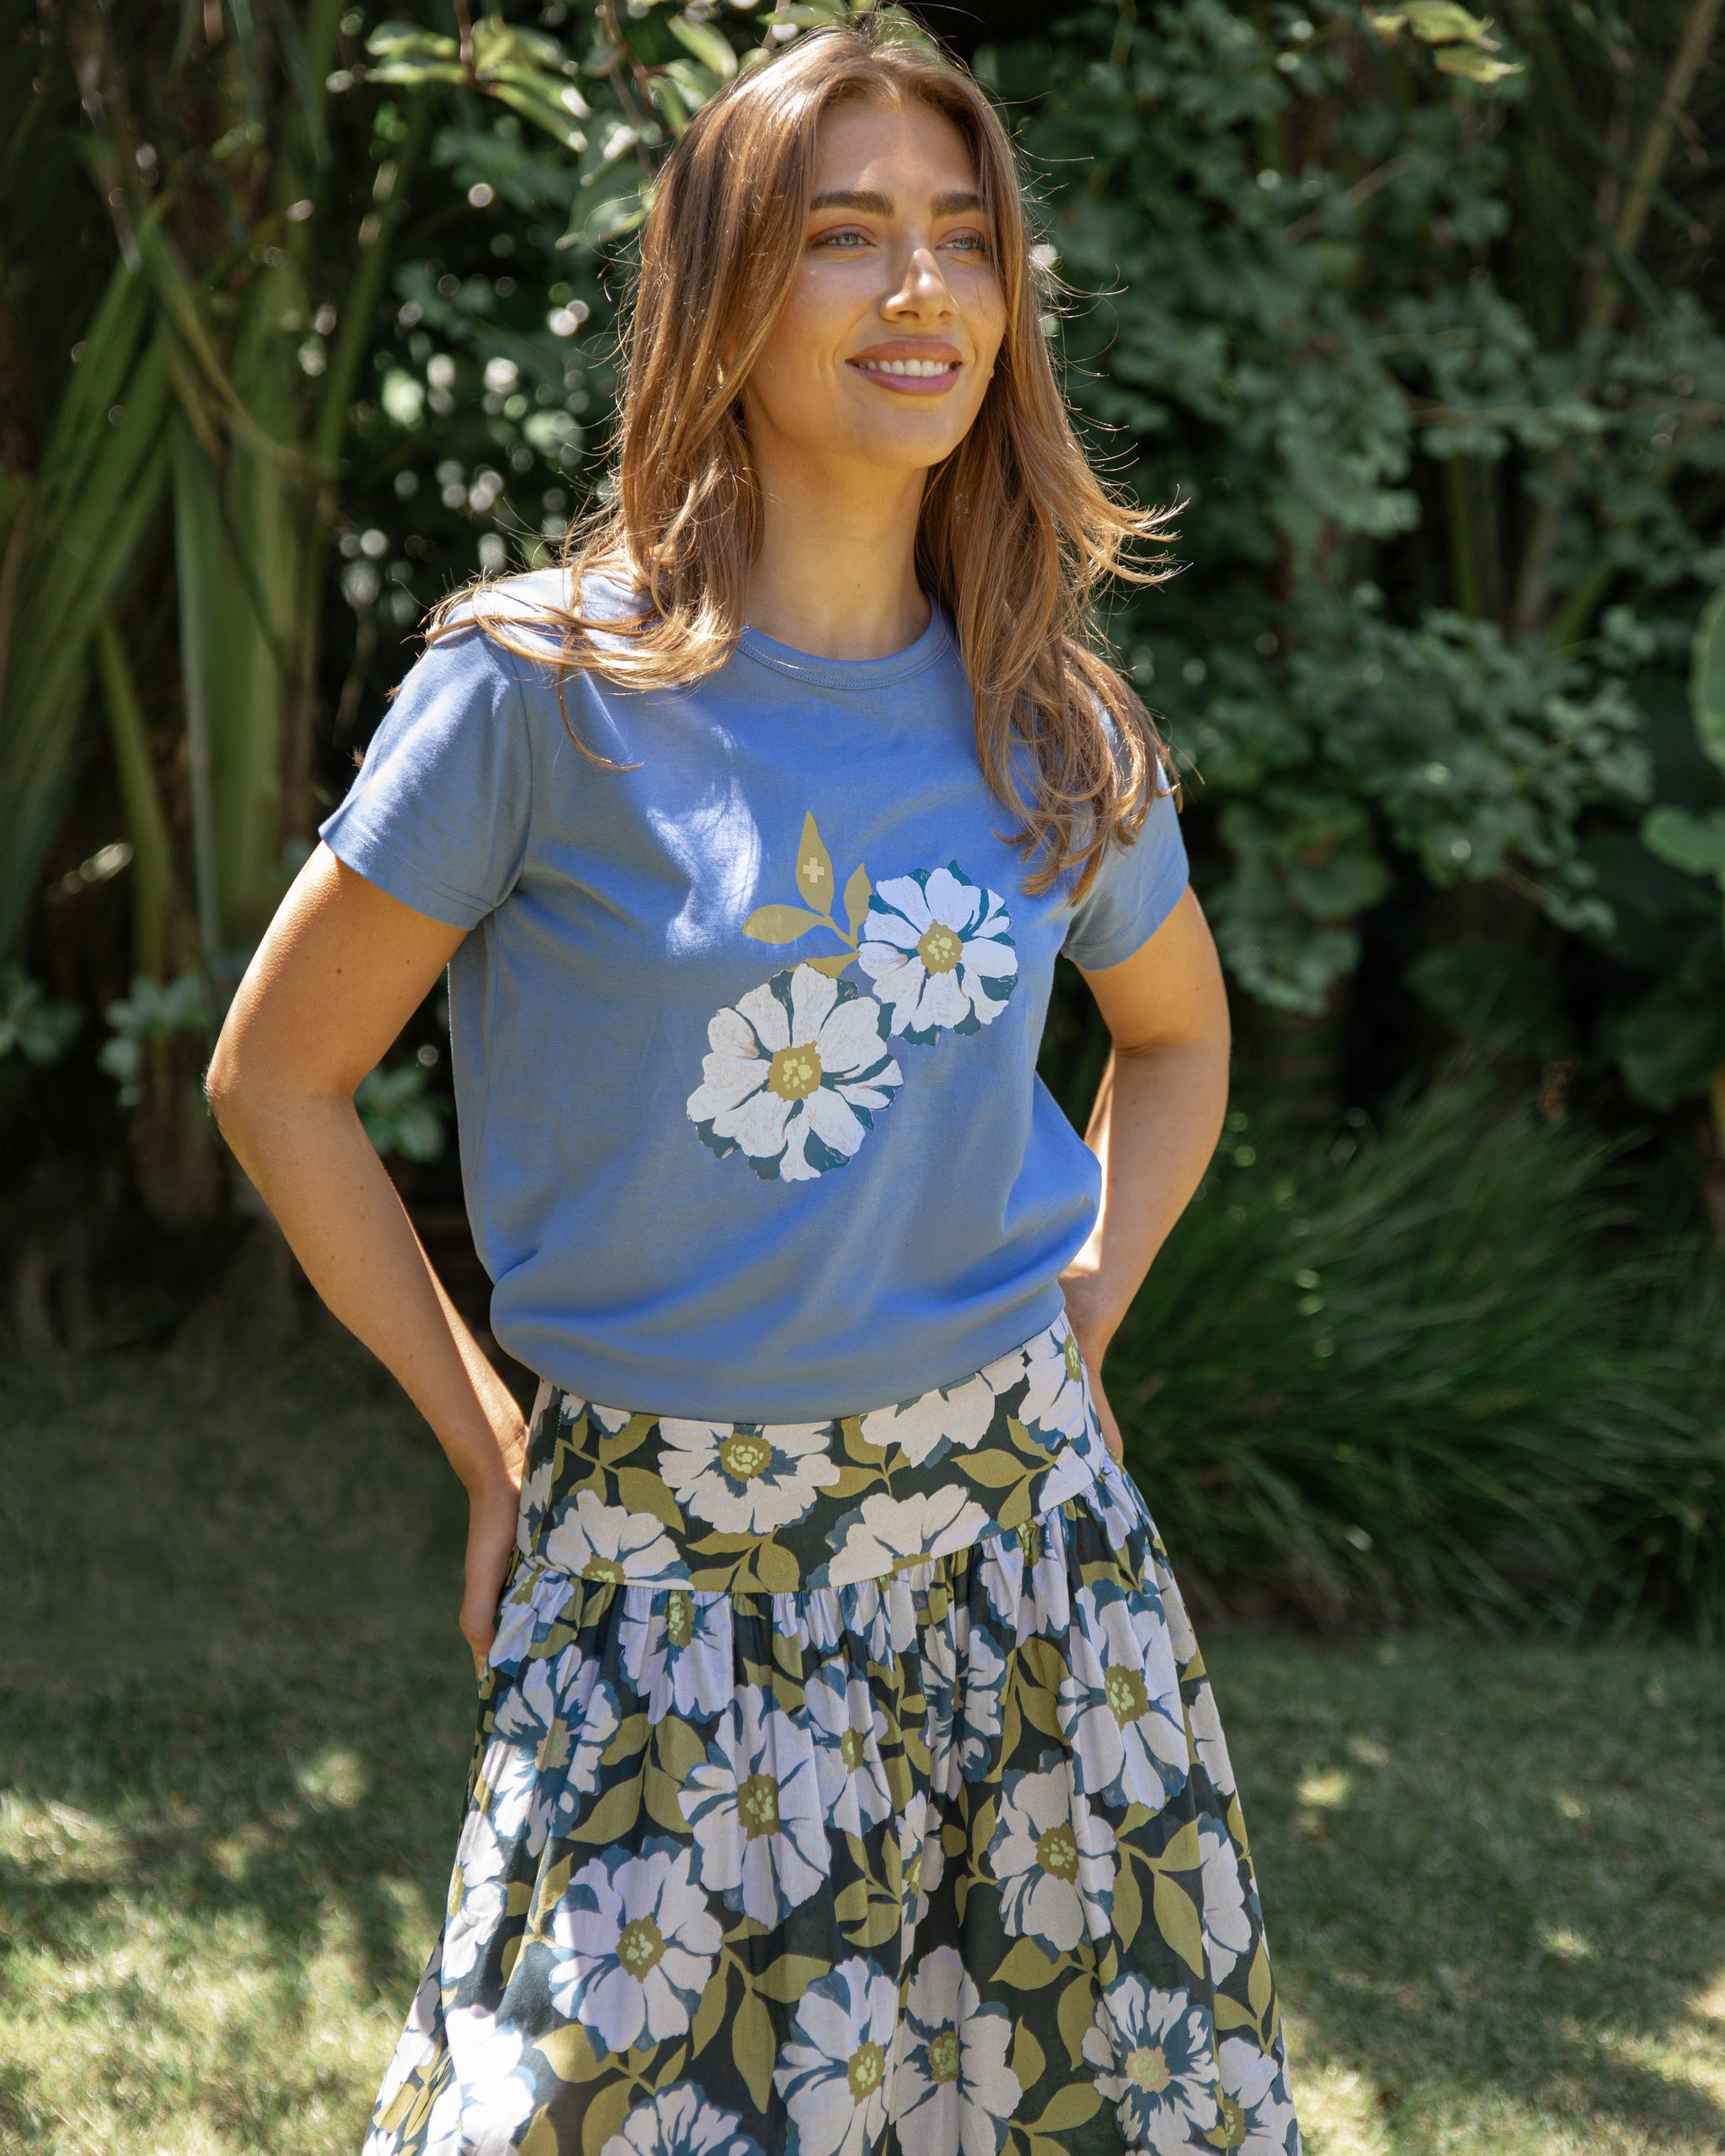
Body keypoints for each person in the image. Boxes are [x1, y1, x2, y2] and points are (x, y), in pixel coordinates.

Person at [208, 18, 1300, 2156]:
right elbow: (279, 1077)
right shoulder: (535, 691)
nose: (924, 290)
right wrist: (484, 1430)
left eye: (965, 239)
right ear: (722, 293)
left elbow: (1176, 1038)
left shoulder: (1051, 722)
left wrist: (1085, 1301)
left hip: (1027, 1579)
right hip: (657, 1586)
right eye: (846, 236)